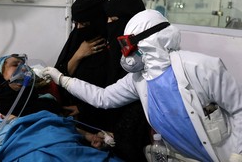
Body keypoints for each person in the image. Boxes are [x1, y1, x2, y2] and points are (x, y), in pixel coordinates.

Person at [42, 9, 242, 162]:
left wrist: (237, 154)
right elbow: (102, 98)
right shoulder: (139, 79)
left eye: (126, 45)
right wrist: (61, 79)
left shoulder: (201, 67)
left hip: (225, 154)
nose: (125, 54)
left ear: (149, 41)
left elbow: (239, 109)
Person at [0, 54, 122, 162]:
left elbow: (58, 123)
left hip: (62, 142)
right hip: (23, 149)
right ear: (1, 76)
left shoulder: (46, 100)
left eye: (24, 64)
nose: (23, 67)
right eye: (15, 64)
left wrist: (88, 136)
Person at [54, 0, 119, 133]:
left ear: (97, 20)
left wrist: (83, 109)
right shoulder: (77, 37)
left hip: (100, 119)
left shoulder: (113, 45)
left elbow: (113, 91)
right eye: (76, 23)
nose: (78, 28)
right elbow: (61, 74)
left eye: (84, 24)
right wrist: (78, 55)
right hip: (72, 116)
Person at [105, 0, 151, 162]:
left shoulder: (147, 59)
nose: (109, 25)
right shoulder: (111, 50)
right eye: (108, 20)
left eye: (115, 21)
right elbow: (105, 96)